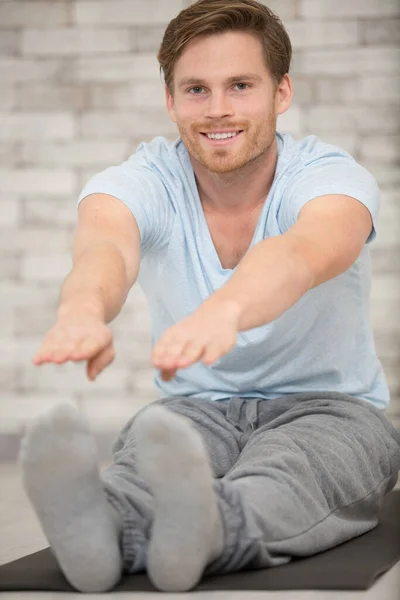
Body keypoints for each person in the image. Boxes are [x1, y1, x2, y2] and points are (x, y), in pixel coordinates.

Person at [19, 0, 400, 594]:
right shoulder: (141, 180)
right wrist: (82, 312)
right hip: (195, 410)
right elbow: (105, 249)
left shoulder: (330, 176)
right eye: (196, 89)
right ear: (170, 101)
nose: (217, 108)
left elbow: (301, 252)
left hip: (329, 407)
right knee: (149, 461)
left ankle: (208, 527)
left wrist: (227, 308)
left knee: (291, 470)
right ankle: (104, 524)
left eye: (241, 85)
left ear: (281, 93)